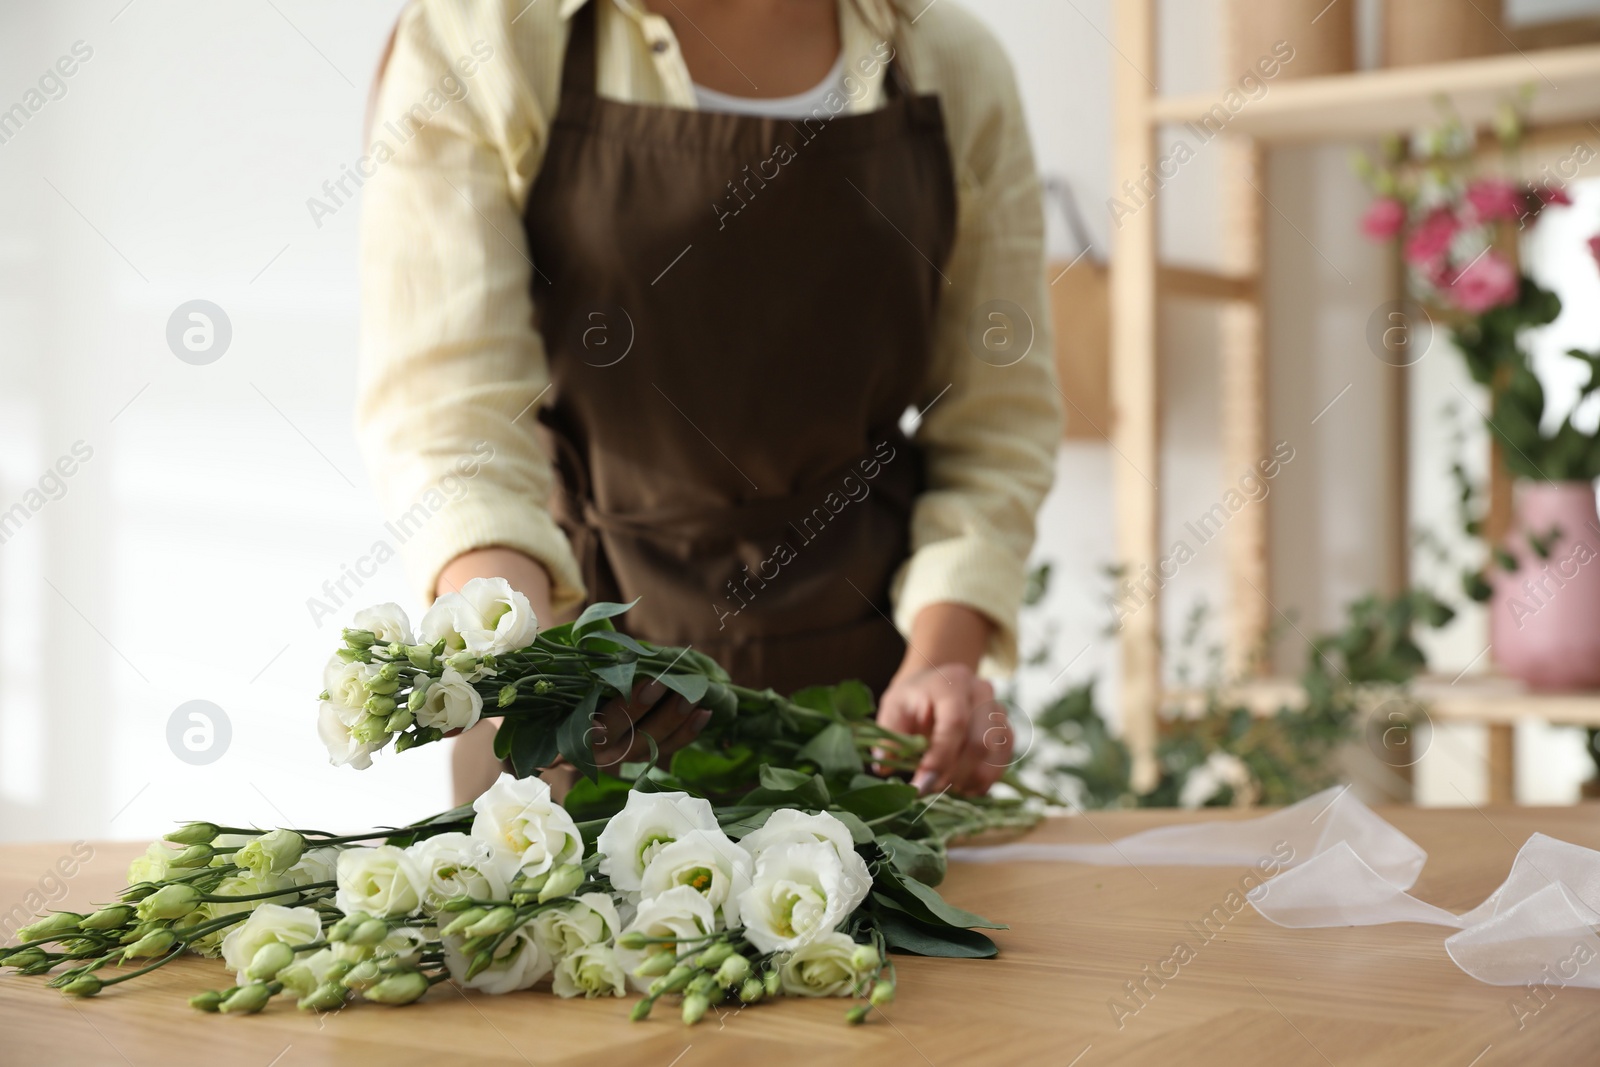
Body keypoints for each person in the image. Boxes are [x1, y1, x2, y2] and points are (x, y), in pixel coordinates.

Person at [358, 0, 1060, 806]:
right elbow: (451, 416)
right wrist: (535, 669)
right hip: (571, 687)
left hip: (872, 722)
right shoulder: (485, 38)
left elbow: (998, 422)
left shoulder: (950, 63)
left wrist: (941, 660)